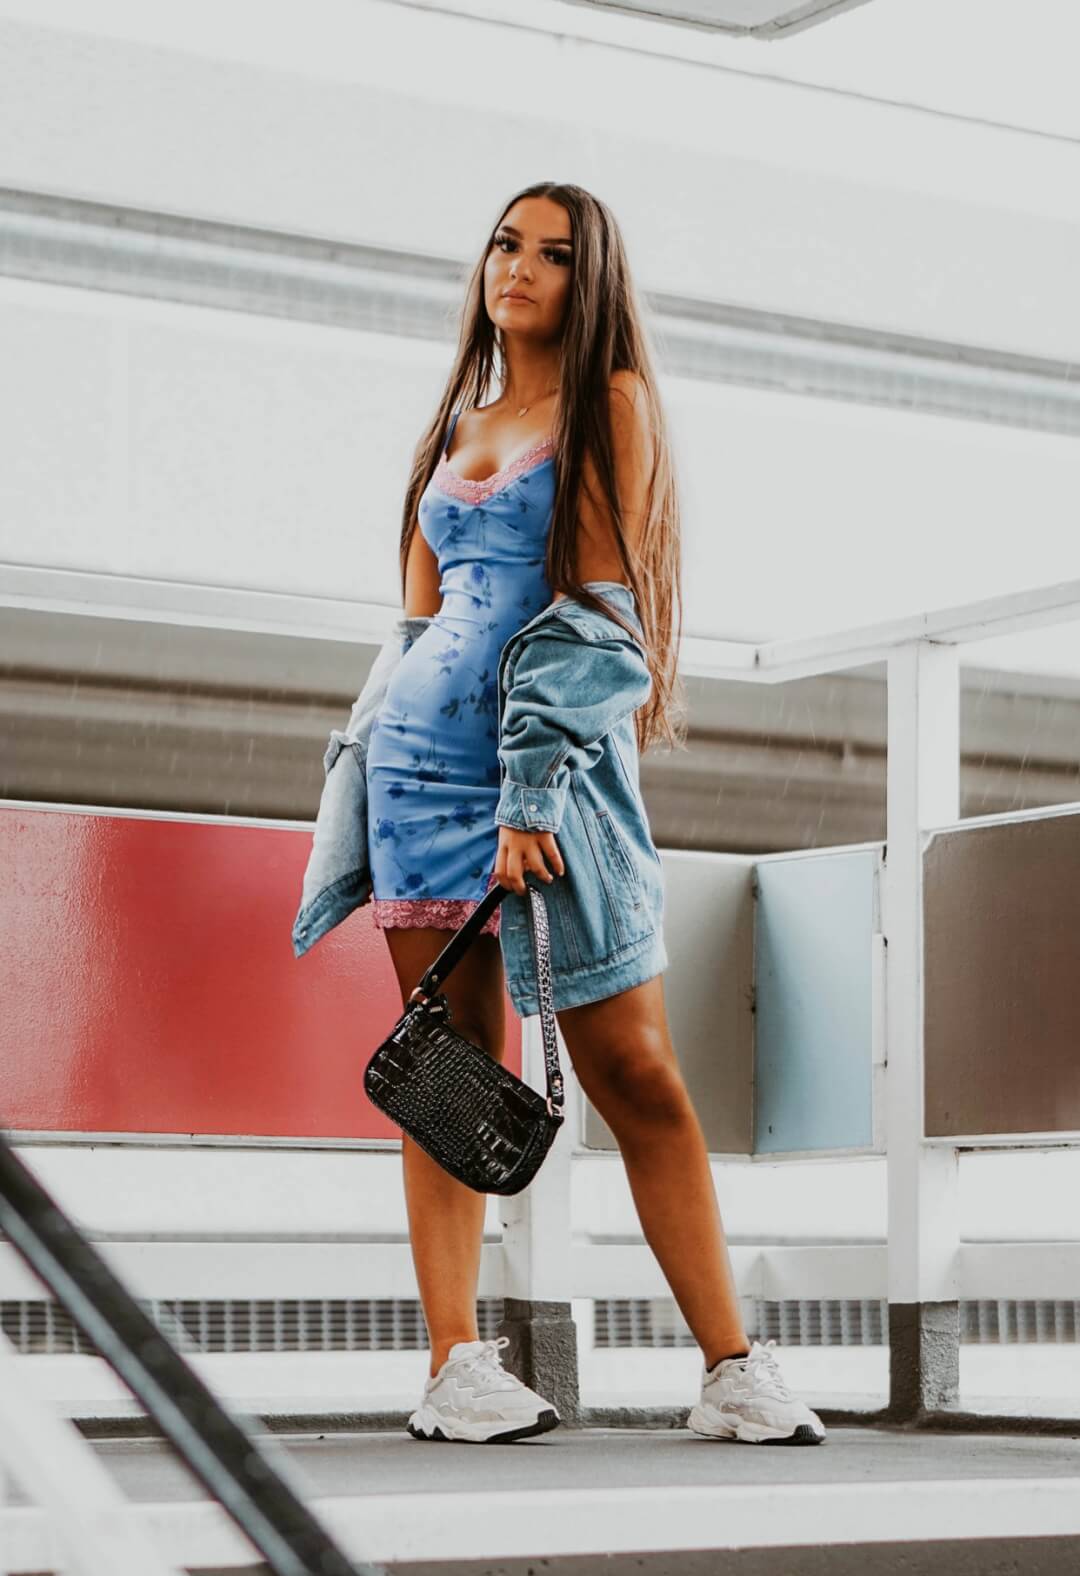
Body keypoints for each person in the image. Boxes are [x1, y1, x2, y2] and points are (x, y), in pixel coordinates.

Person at [302, 181, 825, 1448]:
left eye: (552, 253)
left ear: (591, 284)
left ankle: (731, 1367)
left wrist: (529, 789)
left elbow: (601, 619)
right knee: (446, 1068)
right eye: (503, 242)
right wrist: (355, 789)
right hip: (418, 775)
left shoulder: (613, 405)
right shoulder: (457, 424)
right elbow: (417, 631)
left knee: (633, 1065)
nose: (518, 267)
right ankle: (454, 1364)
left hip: (554, 784)